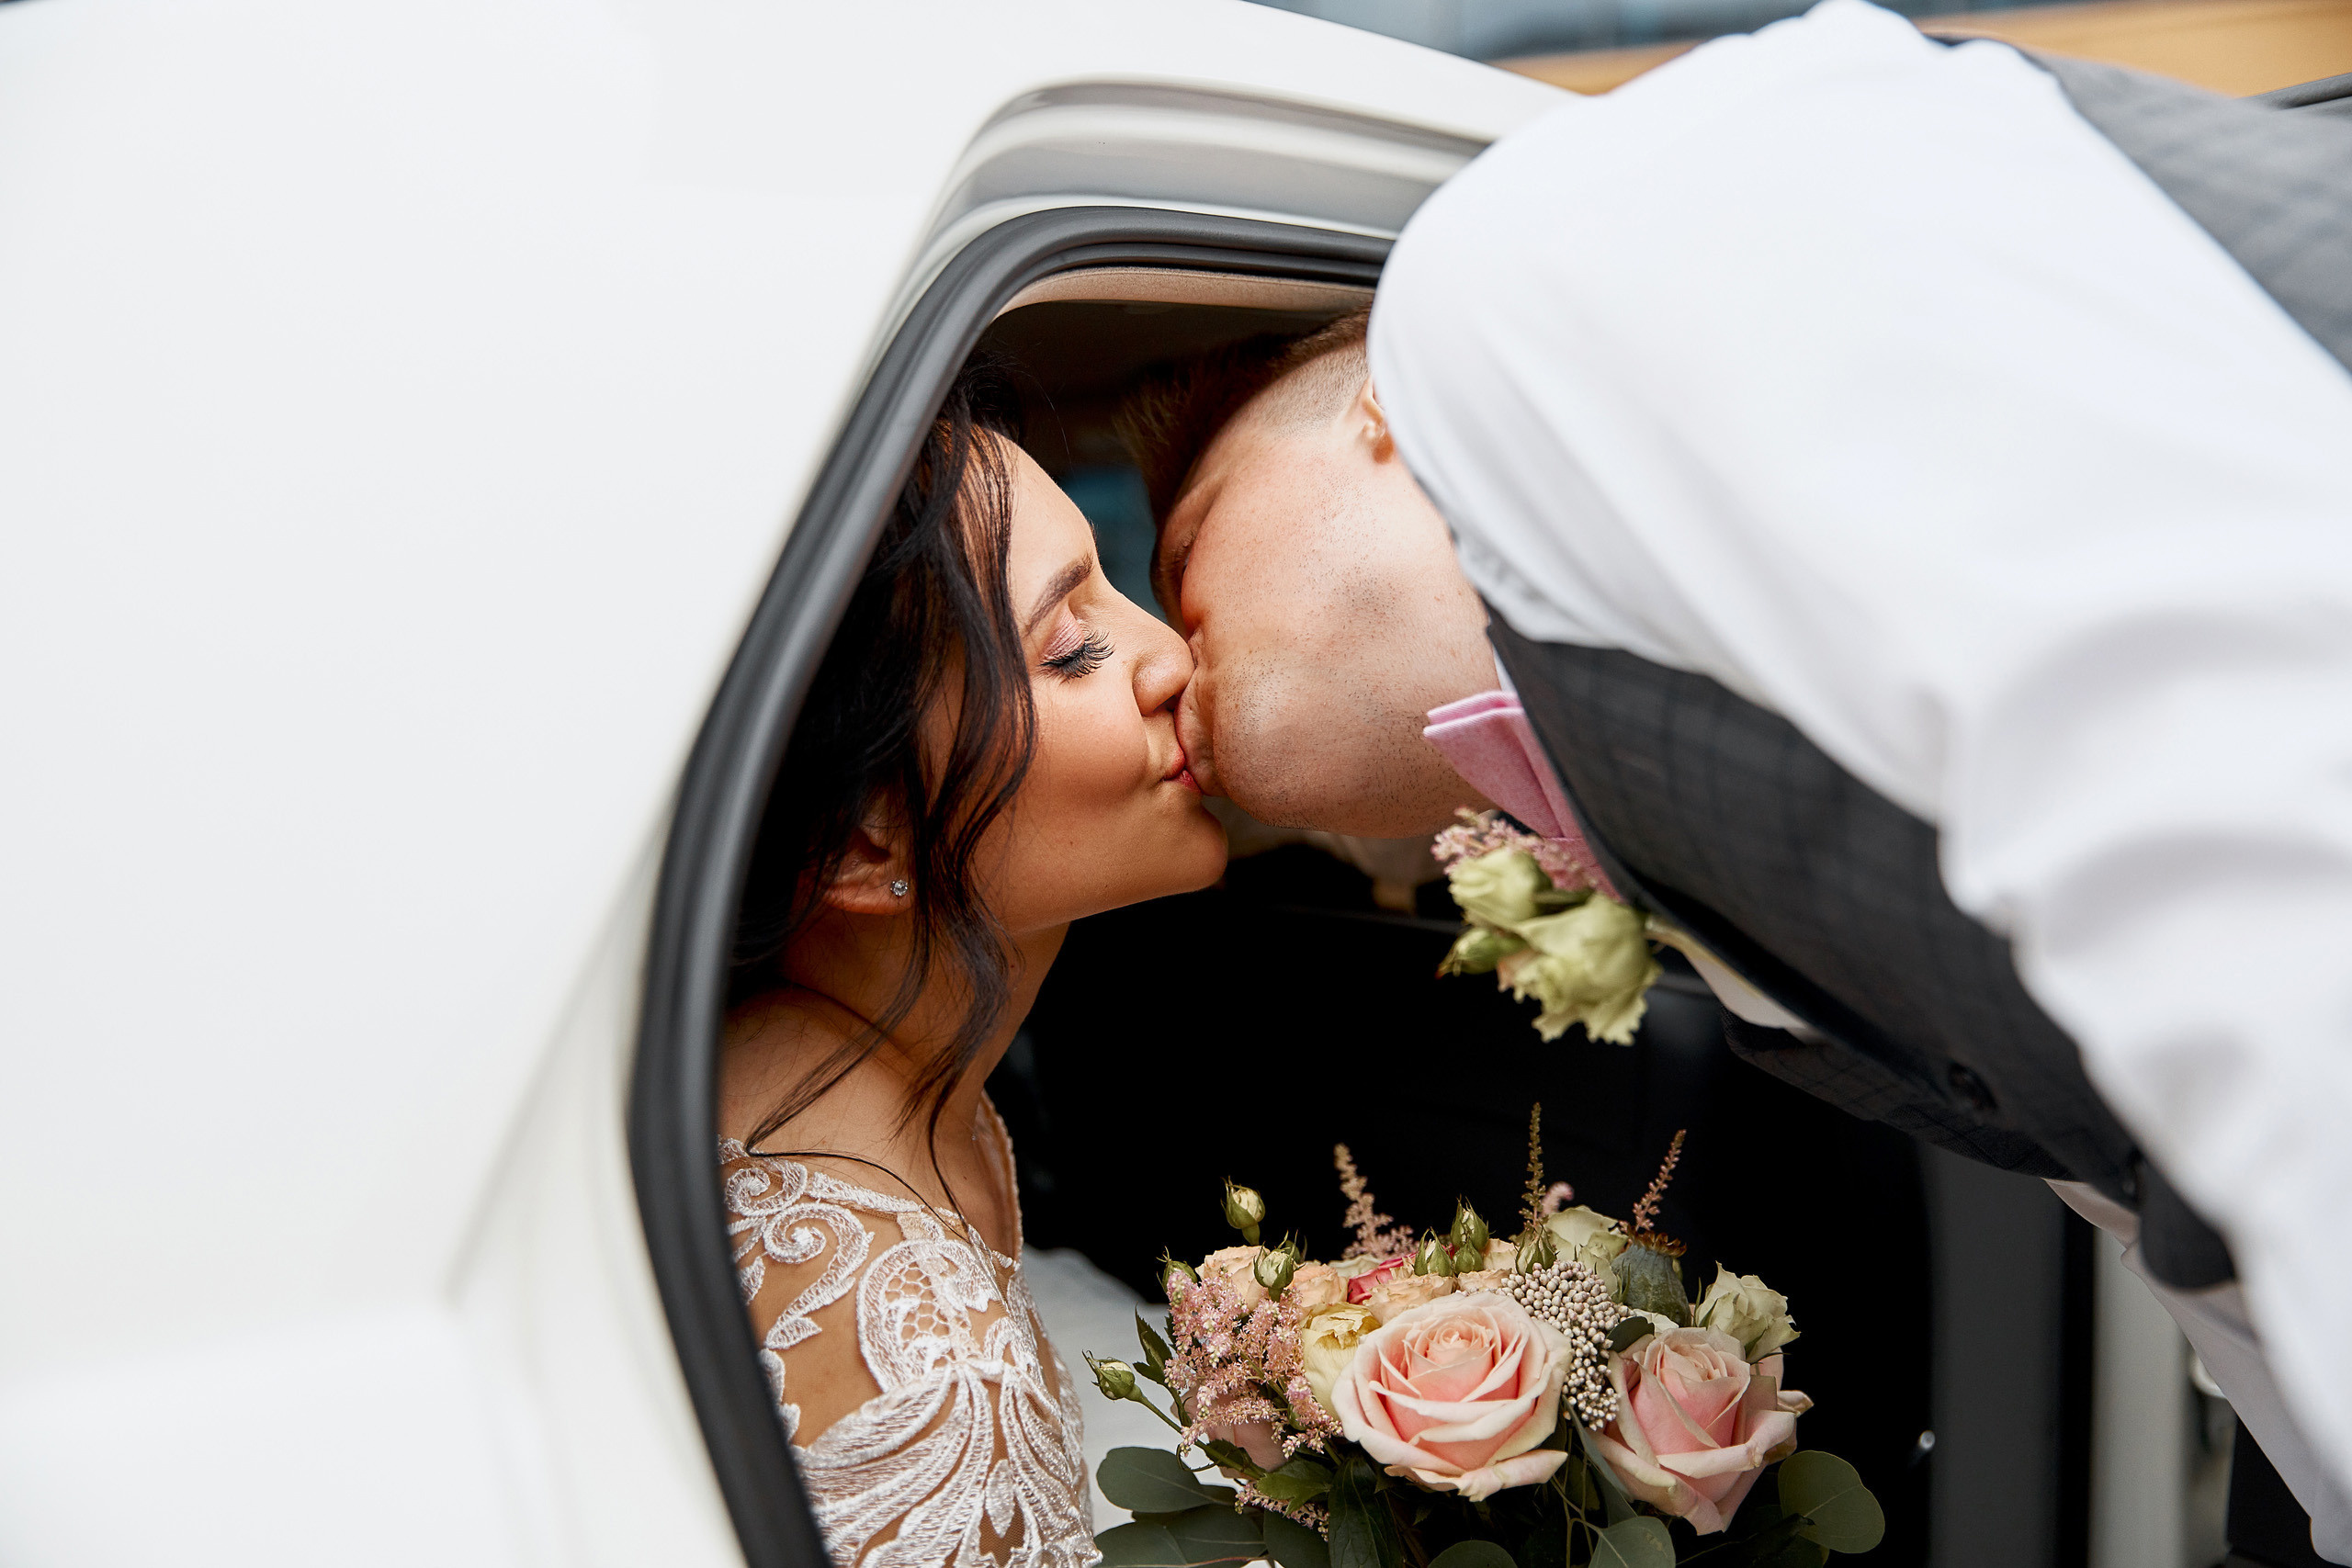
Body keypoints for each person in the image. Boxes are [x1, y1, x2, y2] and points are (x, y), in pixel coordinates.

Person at [1124, 5, 2352, 1560]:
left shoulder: (1511, 283)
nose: (1161, 651)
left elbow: (2220, 788)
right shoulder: (1636, 785)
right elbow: (2134, 1181)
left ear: (1370, 413)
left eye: (1182, 549)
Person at [719, 364, 1226, 1568]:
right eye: (1072, 649)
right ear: (860, 840)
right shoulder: (928, 1368)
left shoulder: (875, 1072)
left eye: (1120, 584)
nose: (1167, 660)